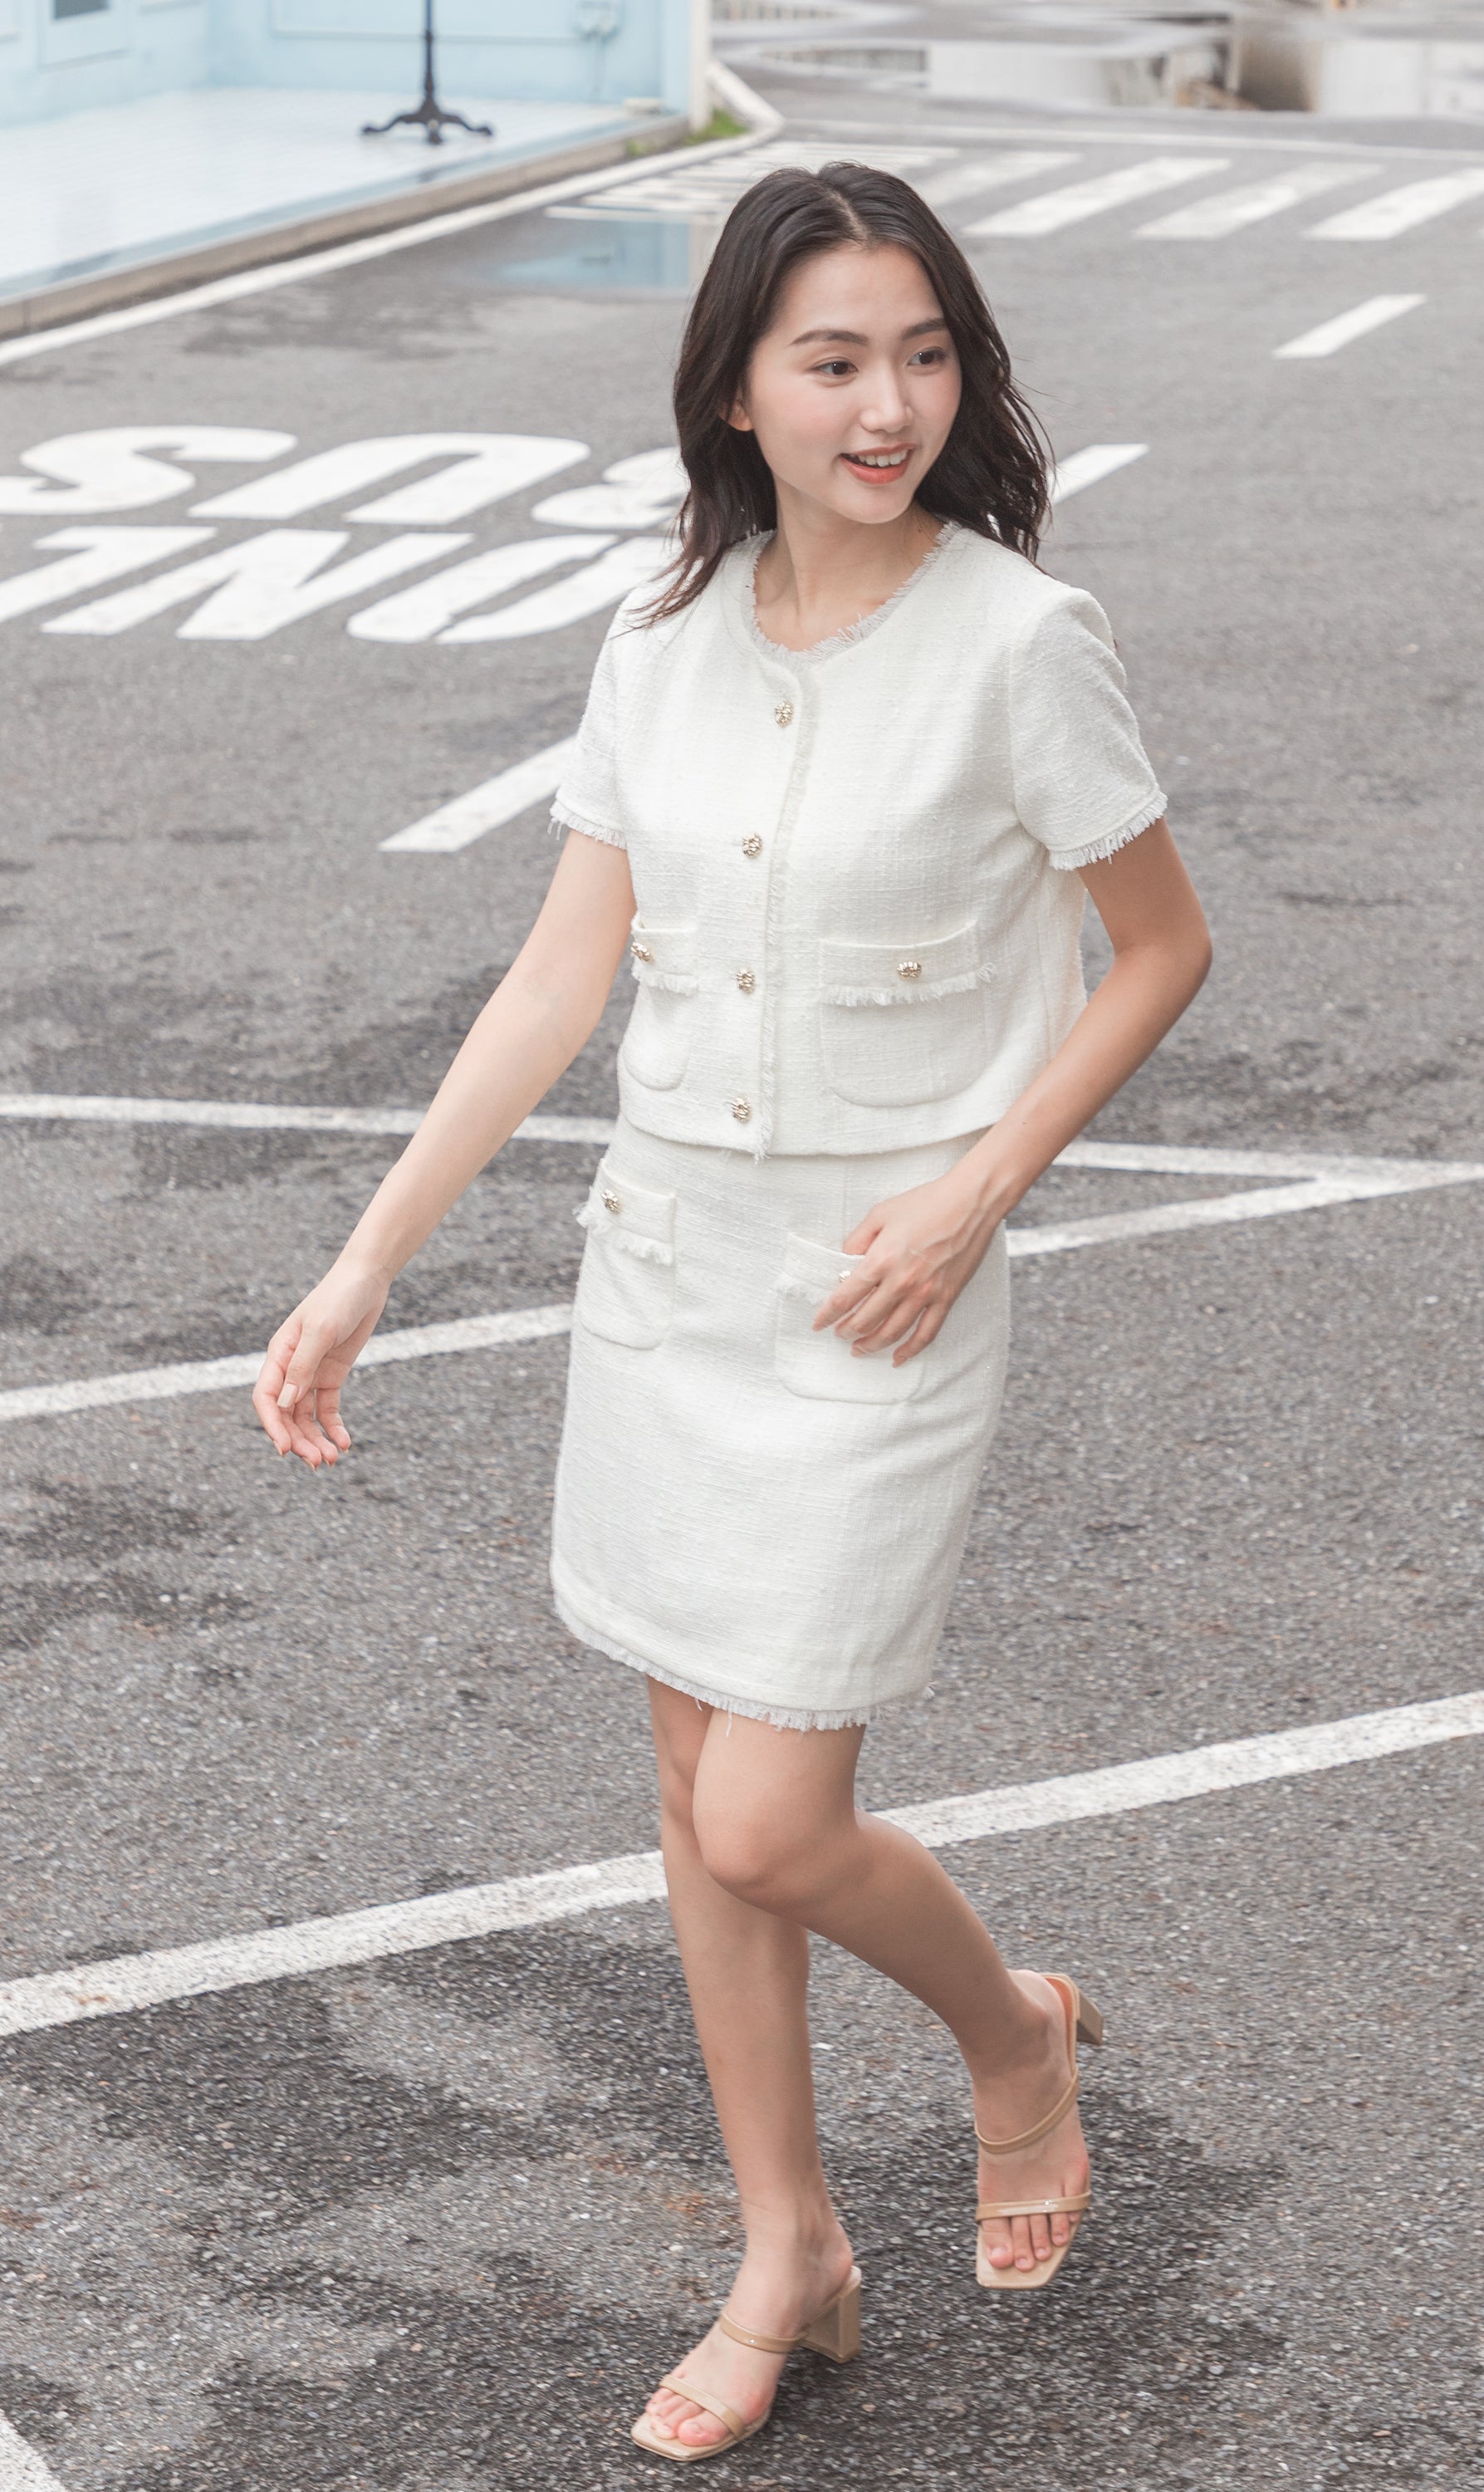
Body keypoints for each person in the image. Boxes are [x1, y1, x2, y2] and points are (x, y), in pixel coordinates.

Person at [253, 160, 1212, 2465]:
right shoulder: (660, 641)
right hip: (669, 1278)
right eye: (835, 359)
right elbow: (558, 976)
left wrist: (976, 1195)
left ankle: (1011, 2042)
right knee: (698, 1799)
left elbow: (1163, 948)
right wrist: (367, 1262)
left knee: (775, 1819)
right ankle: (790, 2247)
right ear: (737, 391)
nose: (890, 406)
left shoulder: (1020, 642)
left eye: (926, 355)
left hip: (880, 1299)